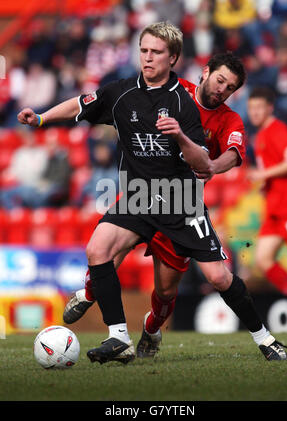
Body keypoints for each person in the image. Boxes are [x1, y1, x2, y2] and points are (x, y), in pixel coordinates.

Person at [63, 52, 287, 362]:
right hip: (144, 193)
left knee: (178, 288)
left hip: (182, 205)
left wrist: (213, 165)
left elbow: (233, 154)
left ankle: (153, 329)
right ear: (205, 72)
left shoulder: (229, 119)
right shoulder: (172, 89)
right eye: (220, 80)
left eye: (230, 88)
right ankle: (92, 300)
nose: (223, 90)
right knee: (104, 251)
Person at [18, 21, 213, 365]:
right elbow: (80, 104)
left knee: (166, 291)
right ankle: (118, 337)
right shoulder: (121, 92)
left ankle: (149, 327)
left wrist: (182, 136)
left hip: (177, 202)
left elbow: (203, 163)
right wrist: (42, 119)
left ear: (174, 58)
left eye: (156, 52)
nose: (148, 58)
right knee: (97, 249)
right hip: (138, 197)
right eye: (144, 50)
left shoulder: (184, 104)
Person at [247, 86, 287, 315]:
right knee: (263, 259)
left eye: (259, 107)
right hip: (274, 208)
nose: (255, 112)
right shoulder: (260, 135)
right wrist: (265, 185)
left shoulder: (277, 130)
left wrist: (263, 175)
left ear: (270, 108)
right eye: (251, 108)